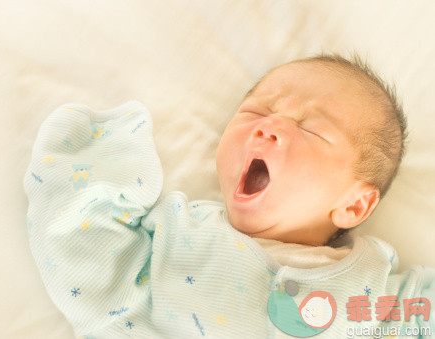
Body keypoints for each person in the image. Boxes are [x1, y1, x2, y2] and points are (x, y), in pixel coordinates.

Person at [23, 53, 433, 338]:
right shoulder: (179, 234)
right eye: (255, 112)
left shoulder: (375, 294)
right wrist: (96, 163)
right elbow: (92, 268)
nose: (267, 127)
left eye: (311, 128)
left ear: (353, 205)